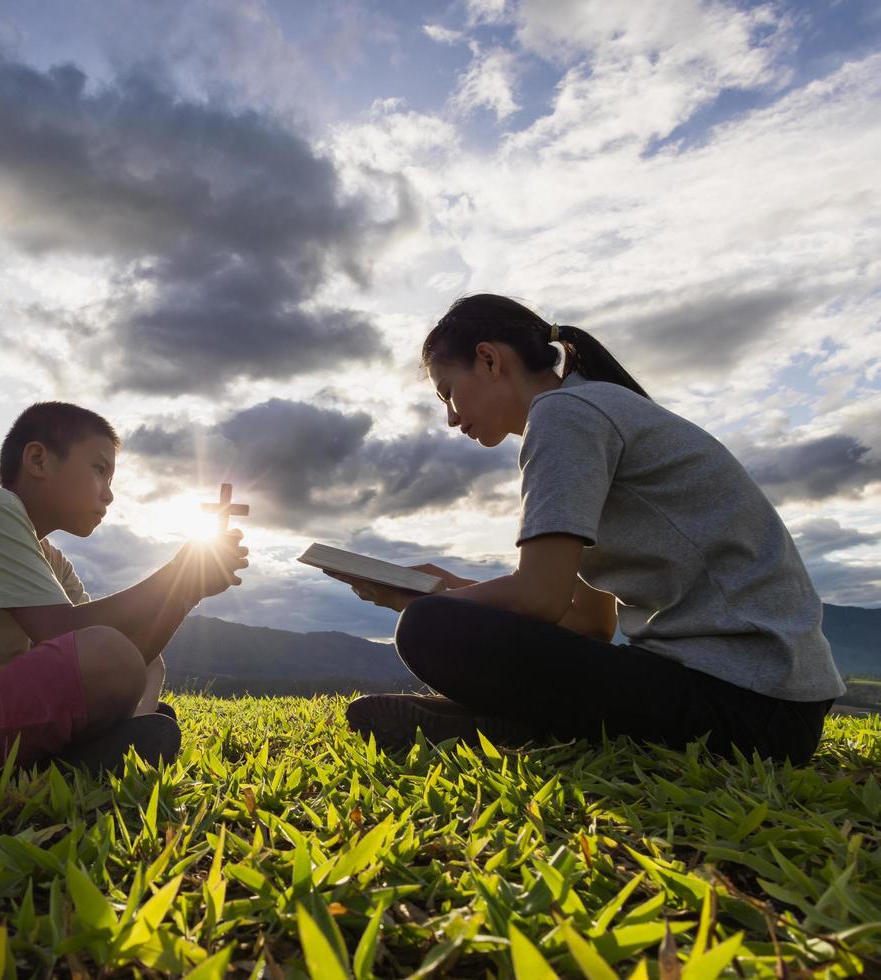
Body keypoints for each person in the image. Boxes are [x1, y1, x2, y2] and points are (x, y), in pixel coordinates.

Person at [328, 294, 843, 765]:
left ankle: (524, 724)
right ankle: (517, 724)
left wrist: (431, 598)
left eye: (448, 393)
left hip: (749, 706)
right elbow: (588, 624)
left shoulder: (564, 415)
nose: (450, 418)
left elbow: (537, 599)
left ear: (489, 359)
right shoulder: (587, 410)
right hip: (769, 706)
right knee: (432, 615)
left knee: (428, 627)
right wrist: (443, 588)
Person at [0, 401, 249, 774]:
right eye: (98, 469)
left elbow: (129, 651)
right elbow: (69, 636)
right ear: (38, 459)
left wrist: (184, 593)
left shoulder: (49, 558)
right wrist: (178, 570)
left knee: (144, 662)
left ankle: (92, 748)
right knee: (107, 653)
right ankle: (87, 753)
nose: (109, 492)